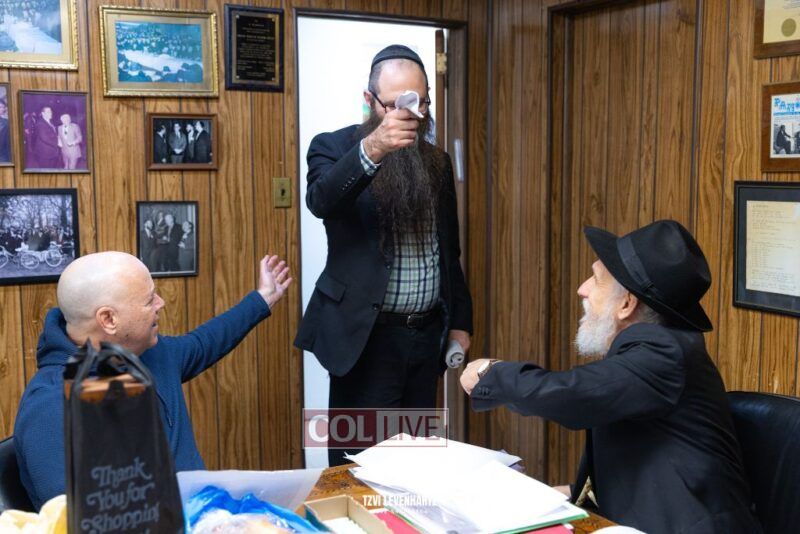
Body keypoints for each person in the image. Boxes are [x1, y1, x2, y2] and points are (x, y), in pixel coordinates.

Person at [460, 220, 762, 534]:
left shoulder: (663, 353)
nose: (583, 289)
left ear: (627, 304)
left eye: (596, 280)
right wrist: (565, 495)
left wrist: (492, 374)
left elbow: (572, 395)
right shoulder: (651, 350)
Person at [294, 44, 473, 466]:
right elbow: (321, 201)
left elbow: (450, 251)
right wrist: (373, 147)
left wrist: (461, 323)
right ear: (369, 101)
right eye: (396, 105)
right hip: (365, 340)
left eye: (420, 103)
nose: (410, 116)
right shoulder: (332, 147)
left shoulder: (437, 161)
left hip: (425, 340)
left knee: (416, 466)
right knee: (360, 466)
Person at [14, 251, 292, 509]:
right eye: (149, 300)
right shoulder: (52, 408)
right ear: (108, 319)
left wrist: (263, 298)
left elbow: (203, 343)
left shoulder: (147, 353)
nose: (161, 303)